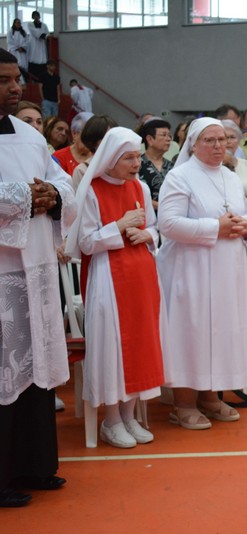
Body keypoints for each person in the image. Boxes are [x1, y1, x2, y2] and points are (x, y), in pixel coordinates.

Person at [0, 49, 75, 507]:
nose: (15, 87)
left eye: (15, 79)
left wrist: (53, 194)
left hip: (35, 270)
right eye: (4, 80)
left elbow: (61, 180)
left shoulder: (29, 134)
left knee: (35, 368)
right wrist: (23, 198)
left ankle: (34, 464)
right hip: (4, 272)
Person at [65, 127, 163, 449]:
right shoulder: (92, 190)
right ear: (110, 158)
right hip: (108, 279)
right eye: (129, 158)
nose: (137, 163)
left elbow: (153, 228)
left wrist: (149, 236)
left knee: (141, 344)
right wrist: (118, 227)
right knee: (114, 345)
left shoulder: (140, 186)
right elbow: (84, 242)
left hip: (142, 278)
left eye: (138, 156)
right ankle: (111, 418)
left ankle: (129, 414)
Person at [157, 118, 247, 430]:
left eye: (223, 140)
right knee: (192, 332)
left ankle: (210, 396)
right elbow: (168, 224)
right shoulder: (179, 177)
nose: (218, 146)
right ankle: (183, 402)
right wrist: (217, 227)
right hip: (191, 270)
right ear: (193, 144)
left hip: (227, 270)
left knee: (221, 333)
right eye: (210, 140)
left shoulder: (229, 177)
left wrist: (246, 226)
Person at [71, 114, 118, 189]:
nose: (112, 142)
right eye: (106, 138)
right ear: (94, 141)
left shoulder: (124, 167)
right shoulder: (82, 171)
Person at [221, 119, 247, 212]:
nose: (228, 141)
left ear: (239, 140)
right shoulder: (209, 167)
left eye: (232, 137)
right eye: (223, 138)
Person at [138, 118, 173, 211]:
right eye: (164, 135)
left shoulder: (172, 166)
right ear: (149, 139)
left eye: (169, 135)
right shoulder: (137, 164)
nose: (168, 139)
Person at [52, 112, 93, 176]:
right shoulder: (59, 157)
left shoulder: (96, 159)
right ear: (74, 133)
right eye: (87, 134)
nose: (92, 139)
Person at [25, 11, 48, 96]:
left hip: (41, 44)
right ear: (32, 17)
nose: (36, 17)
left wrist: (45, 36)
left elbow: (47, 33)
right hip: (34, 43)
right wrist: (43, 35)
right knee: (34, 58)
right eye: (34, 16)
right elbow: (35, 32)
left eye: (37, 16)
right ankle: (34, 79)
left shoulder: (44, 25)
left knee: (42, 59)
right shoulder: (30, 24)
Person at [7, 19, 29, 85]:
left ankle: (24, 82)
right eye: (17, 23)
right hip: (15, 52)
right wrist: (17, 48)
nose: (18, 24)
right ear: (14, 23)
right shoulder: (10, 32)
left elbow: (27, 42)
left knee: (23, 67)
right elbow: (9, 42)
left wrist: (22, 48)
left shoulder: (23, 32)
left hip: (22, 53)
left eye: (19, 23)